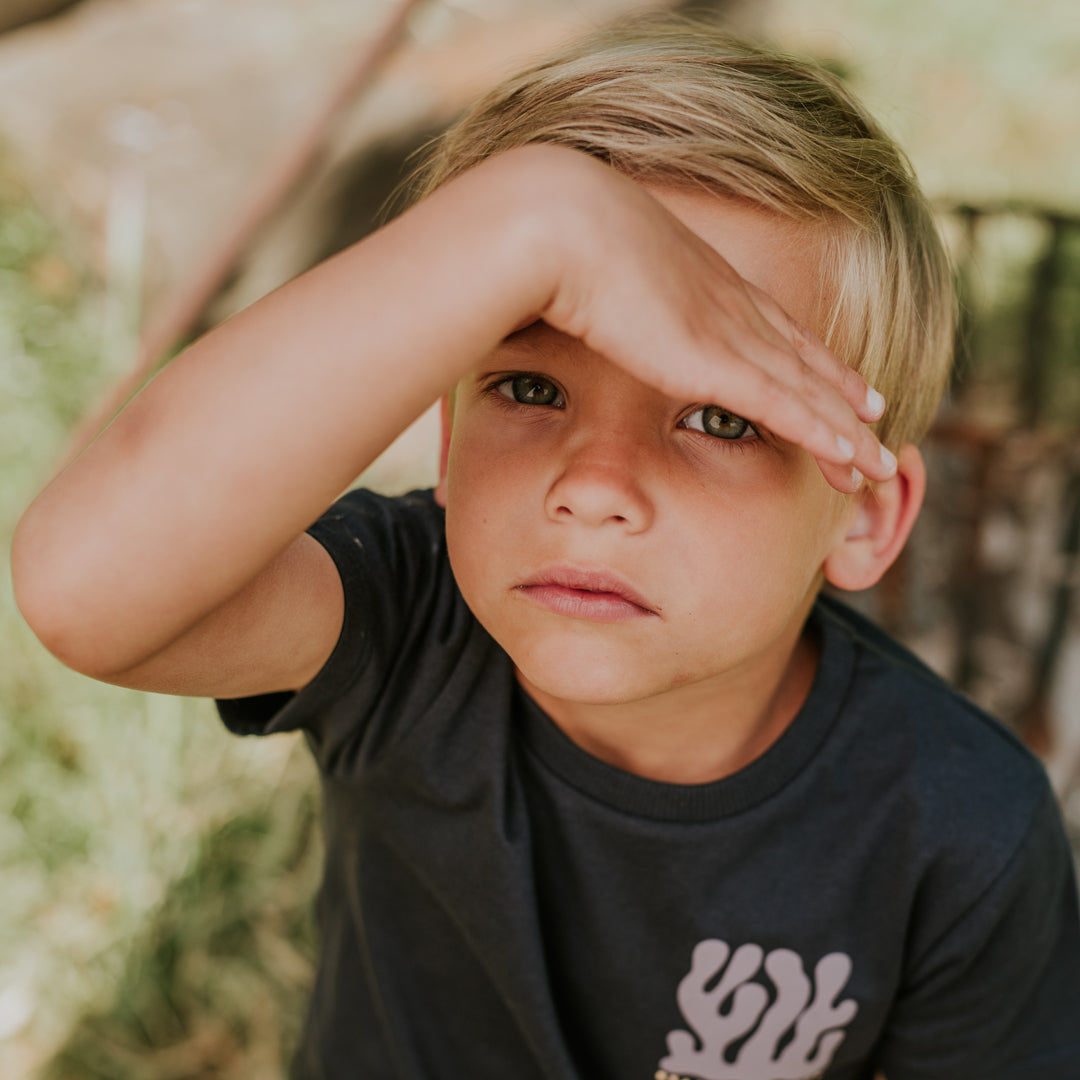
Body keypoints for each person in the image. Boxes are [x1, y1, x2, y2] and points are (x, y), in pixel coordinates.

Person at [12, 16, 1080, 1080]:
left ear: (864, 514)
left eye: (717, 416)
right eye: (530, 387)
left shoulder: (961, 830)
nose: (595, 485)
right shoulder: (409, 627)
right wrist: (537, 223)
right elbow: (83, 587)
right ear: (448, 431)